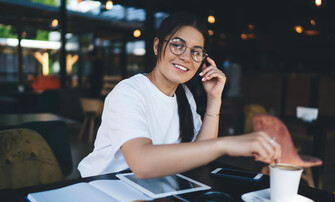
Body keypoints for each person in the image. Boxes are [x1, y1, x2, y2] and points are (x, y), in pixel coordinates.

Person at [78, 12, 281, 178]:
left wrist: (214, 99)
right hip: (103, 190)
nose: (185, 57)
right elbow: (141, 163)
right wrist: (226, 144)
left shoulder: (185, 95)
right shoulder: (128, 92)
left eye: (196, 51)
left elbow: (201, 153)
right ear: (157, 46)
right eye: (177, 45)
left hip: (149, 192)